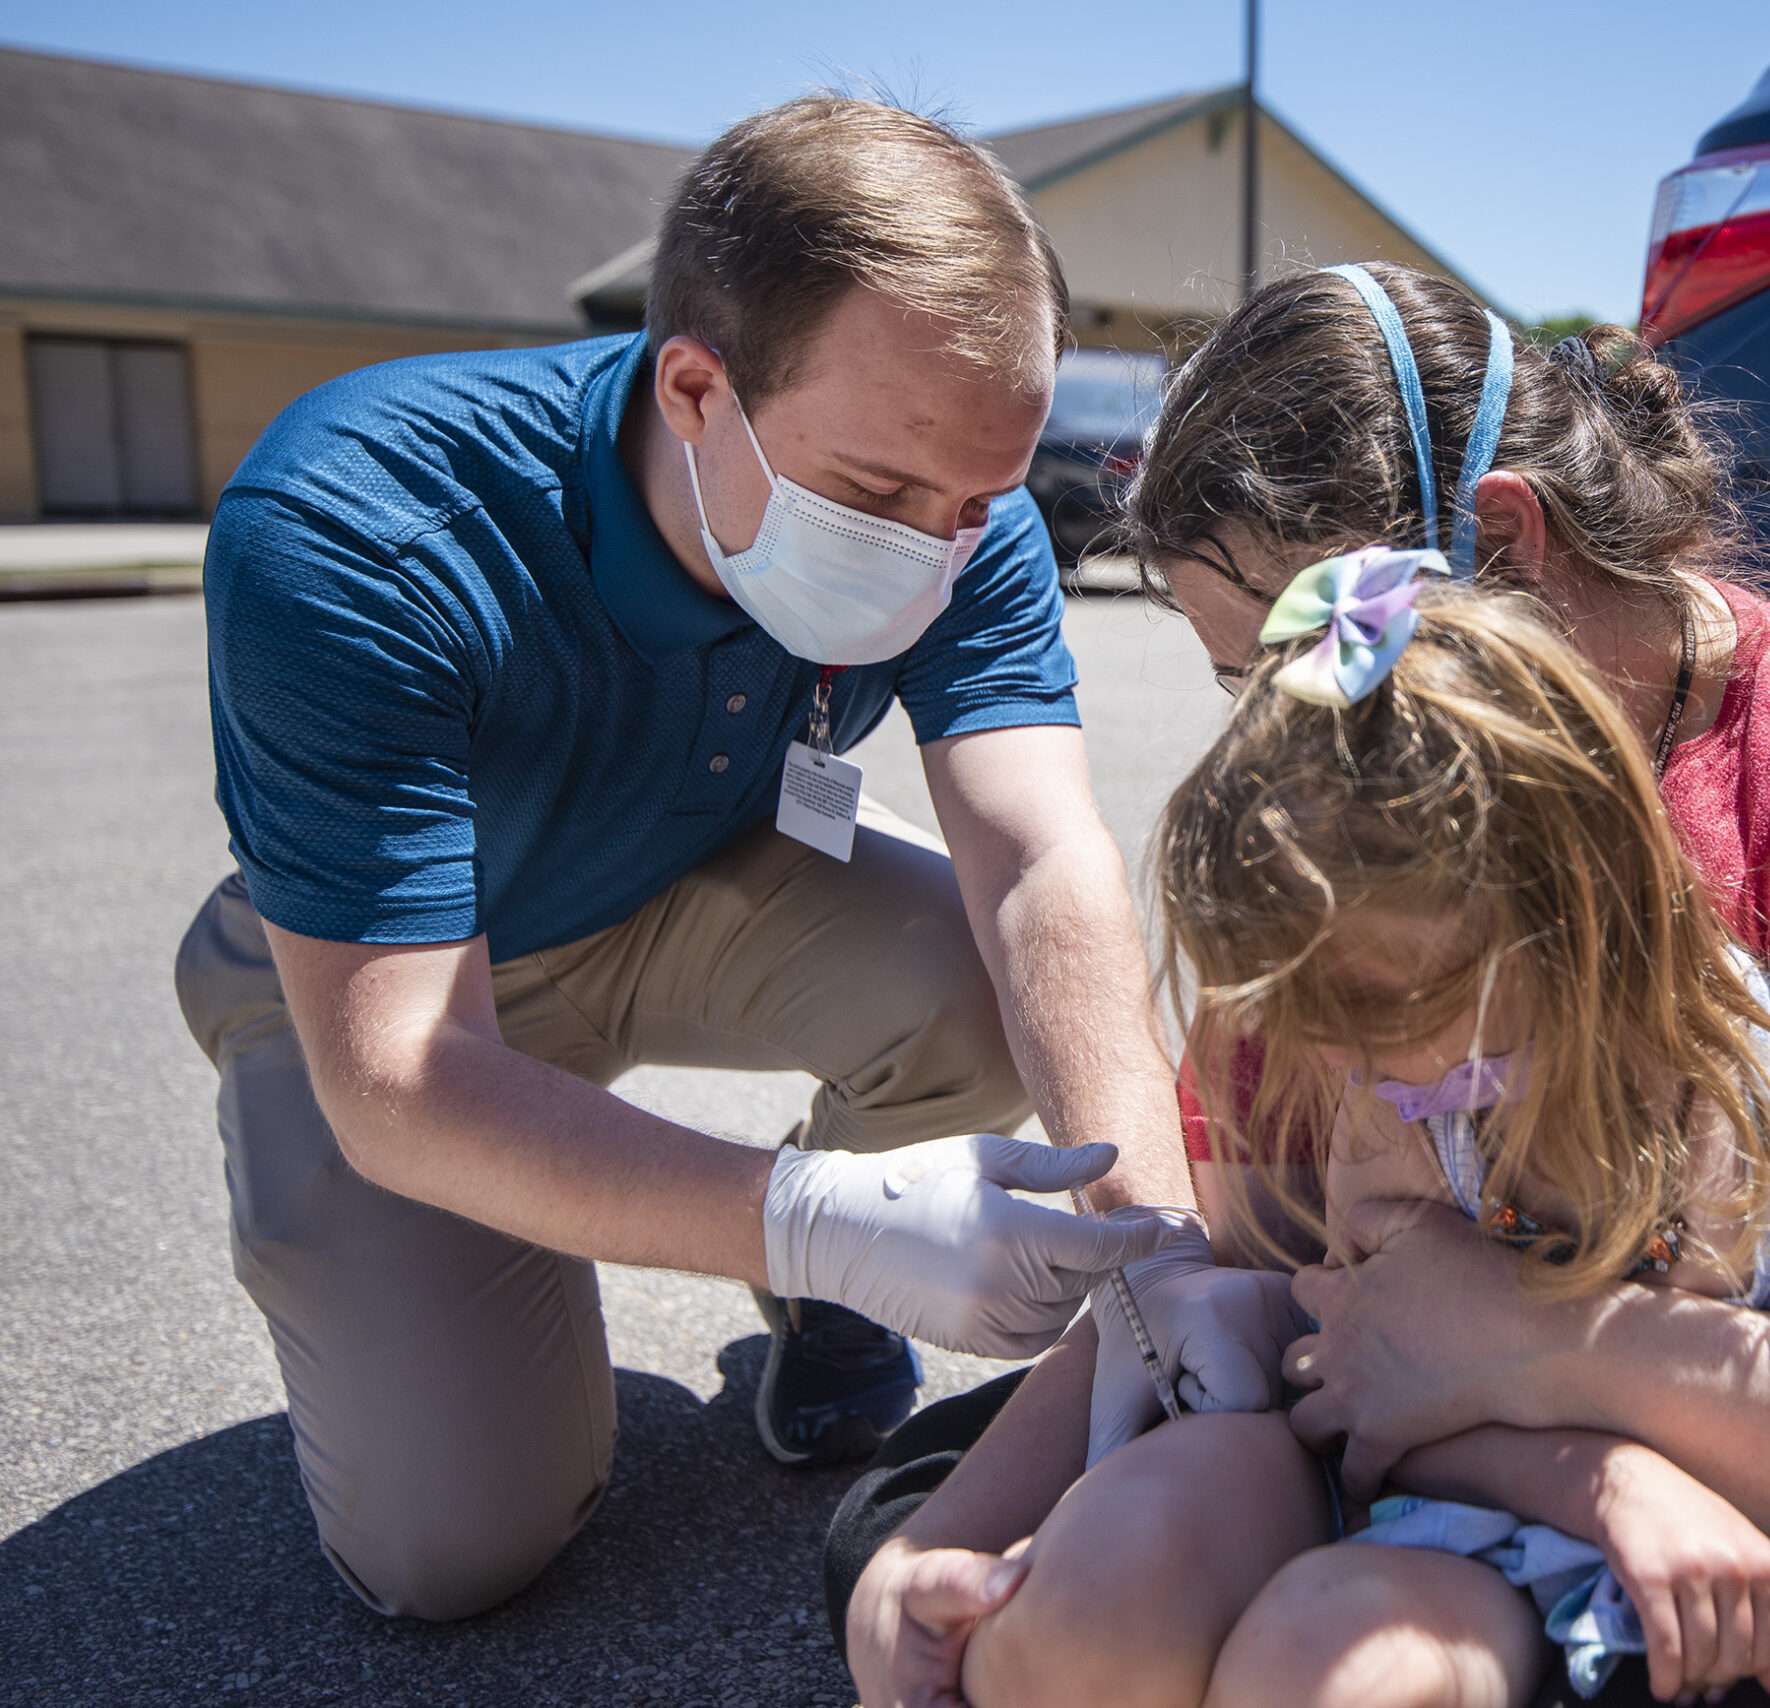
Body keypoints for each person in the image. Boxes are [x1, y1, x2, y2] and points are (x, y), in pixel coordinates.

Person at [834, 264, 1770, 1707]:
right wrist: (946, 1549)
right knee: (931, 1559)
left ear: (1502, 534)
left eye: (1315, 643)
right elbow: (1264, 1277)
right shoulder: (1340, 837)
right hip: (1449, 1452)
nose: (1298, 725)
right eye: (1254, 686)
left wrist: (1558, 1346)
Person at [170, 96, 1277, 1623]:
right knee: (451, 1549)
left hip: (681, 882)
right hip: (405, 984)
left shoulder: (961, 507)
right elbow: (405, 1079)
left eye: (977, 500)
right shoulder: (359, 526)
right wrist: (819, 1208)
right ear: (696, 386)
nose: (938, 547)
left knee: (983, 976)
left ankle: (821, 1317)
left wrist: (1157, 1243)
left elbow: (1036, 859)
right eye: (880, 496)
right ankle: (757, 1257)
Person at [964, 564, 1770, 1708]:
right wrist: (1600, 1480)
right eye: (1311, 1024)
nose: (1340, 1070)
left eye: (1380, 1016)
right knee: (1285, 1656)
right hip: (1479, 1519)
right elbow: (1368, 1410)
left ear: (1570, 914)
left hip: (1746, 1576)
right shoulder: (1406, 1128)